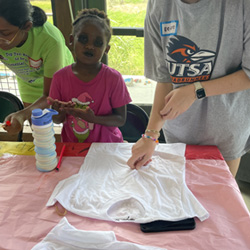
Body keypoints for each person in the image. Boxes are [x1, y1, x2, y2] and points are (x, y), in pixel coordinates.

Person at [127, 0, 250, 177]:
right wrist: (151, 135)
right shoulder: (159, 5)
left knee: (215, 200)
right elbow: (165, 79)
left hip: (225, 131)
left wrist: (196, 90)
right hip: (178, 132)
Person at [47, 8, 131, 143]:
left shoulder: (113, 78)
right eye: (83, 39)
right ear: (71, 40)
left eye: (98, 43)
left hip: (107, 147)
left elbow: (120, 119)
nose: (90, 46)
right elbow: (57, 119)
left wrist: (93, 119)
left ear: (106, 49)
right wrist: (59, 111)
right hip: (73, 147)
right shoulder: (59, 78)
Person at [0, 0, 74, 134]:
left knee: (72, 126)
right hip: (28, 81)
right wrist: (22, 116)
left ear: (27, 26)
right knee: (40, 134)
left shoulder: (49, 40)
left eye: (4, 34)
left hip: (61, 81)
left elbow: (50, 94)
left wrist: (22, 114)